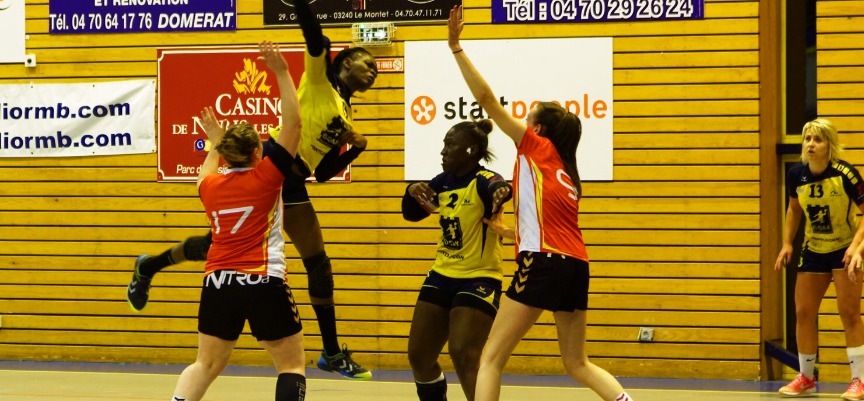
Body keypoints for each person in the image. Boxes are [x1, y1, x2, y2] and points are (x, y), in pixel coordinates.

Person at [126, 0, 378, 380]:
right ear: (344, 63)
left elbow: (324, 172)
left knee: (316, 262)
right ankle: (148, 266)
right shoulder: (321, 82)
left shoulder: (345, 112)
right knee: (217, 245)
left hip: (295, 179)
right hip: (271, 163)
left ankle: (330, 352)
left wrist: (353, 150)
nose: (373, 71)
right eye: (367, 63)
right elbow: (315, 39)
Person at [446, 6, 634, 401]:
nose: (524, 117)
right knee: (577, 363)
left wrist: (456, 48)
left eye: (529, 114)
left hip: (544, 262)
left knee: (490, 358)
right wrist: (508, 232)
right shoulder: (565, 172)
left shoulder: (537, 147)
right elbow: (552, 227)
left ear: (538, 128)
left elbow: (486, 100)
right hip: (576, 265)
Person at [170, 41, 307, 401]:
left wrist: (214, 141)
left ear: (226, 155)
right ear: (258, 152)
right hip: (263, 279)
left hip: (218, 282)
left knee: (205, 364)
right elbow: (293, 123)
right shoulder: (267, 177)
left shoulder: (209, 187)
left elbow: (206, 171)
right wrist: (281, 72)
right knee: (291, 364)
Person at [403, 119, 512, 401]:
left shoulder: (482, 179)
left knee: (463, 353)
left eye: (450, 145)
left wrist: (501, 192)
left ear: (470, 150)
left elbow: (498, 186)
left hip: (478, 277)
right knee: (419, 355)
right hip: (442, 274)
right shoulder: (442, 182)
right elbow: (412, 214)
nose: (443, 151)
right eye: (444, 144)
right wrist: (411, 190)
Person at [775, 118, 864, 400]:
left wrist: (856, 247)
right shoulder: (796, 174)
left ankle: (859, 382)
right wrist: (786, 243)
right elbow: (794, 209)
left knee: (849, 314)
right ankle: (806, 377)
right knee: (804, 313)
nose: (811, 144)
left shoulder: (845, 173)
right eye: (807, 139)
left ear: (830, 144)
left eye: (817, 139)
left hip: (844, 249)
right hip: (814, 250)